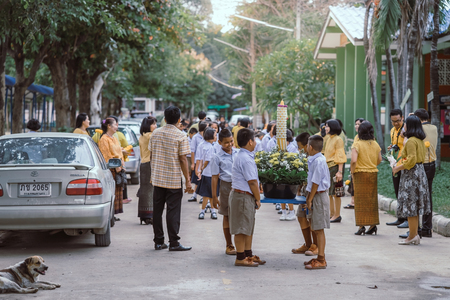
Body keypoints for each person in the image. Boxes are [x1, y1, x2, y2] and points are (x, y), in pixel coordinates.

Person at [149, 106, 192, 251]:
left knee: (157, 210)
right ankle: (174, 242)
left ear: (165, 119)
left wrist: (152, 174)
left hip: (158, 178)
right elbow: (183, 159)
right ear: (179, 120)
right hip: (173, 179)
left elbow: (152, 155)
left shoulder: (155, 133)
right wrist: (187, 180)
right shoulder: (181, 135)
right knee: (173, 211)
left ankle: (158, 241)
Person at [229, 128, 265, 267]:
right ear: (250, 141)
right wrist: (258, 198)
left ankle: (248, 254)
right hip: (242, 196)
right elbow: (252, 182)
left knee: (247, 227)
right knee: (241, 228)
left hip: (244, 196)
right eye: (254, 139)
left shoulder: (244, 155)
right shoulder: (245, 158)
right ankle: (240, 257)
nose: (255, 142)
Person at [393, 115, 431, 245]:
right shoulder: (419, 140)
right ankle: (414, 235)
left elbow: (410, 161)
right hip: (419, 172)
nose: (404, 126)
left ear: (409, 126)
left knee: (410, 207)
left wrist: (397, 168)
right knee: (413, 207)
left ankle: (412, 236)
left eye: (405, 124)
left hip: (411, 175)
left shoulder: (410, 141)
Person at [398, 109, 437, 238]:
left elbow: (410, 158)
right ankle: (424, 229)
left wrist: (397, 168)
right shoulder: (432, 130)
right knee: (423, 199)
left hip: (415, 169)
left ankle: (413, 232)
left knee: (412, 201)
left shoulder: (413, 138)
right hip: (428, 166)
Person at [302, 135, 330, 270]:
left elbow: (315, 182)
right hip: (314, 195)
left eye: (307, 145)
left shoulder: (319, 161)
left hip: (318, 196)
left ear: (310, 147)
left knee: (319, 229)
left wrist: (309, 199)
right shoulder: (314, 159)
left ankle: (321, 259)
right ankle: (319, 256)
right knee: (315, 227)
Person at [350, 121, 382, 236]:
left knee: (360, 201)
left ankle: (361, 226)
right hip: (372, 173)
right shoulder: (375, 144)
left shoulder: (357, 144)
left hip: (360, 173)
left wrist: (352, 171)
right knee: (371, 201)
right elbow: (379, 159)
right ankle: (373, 225)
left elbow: (354, 160)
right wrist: (371, 165)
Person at [211, 129, 238, 255]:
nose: (230, 144)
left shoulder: (238, 153)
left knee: (239, 215)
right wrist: (214, 196)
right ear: (219, 142)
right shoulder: (217, 157)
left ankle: (241, 244)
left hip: (239, 186)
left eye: (231, 141)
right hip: (226, 187)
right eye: (226, 142)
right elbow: (215, 177)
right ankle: (229, 244)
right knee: (227, 215)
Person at [292, 132, 318, 256]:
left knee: (312, 219)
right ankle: (307, 244)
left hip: (311, 193)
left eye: (300, 146)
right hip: (304, 192)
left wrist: (310, 198)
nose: (299, 149)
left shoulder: (315, 159)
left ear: (308, 145)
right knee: (301, 216)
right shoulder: (303, 157)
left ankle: (315, 246)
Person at [98, 117, 125, 220]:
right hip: (111, 170)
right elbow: (106, 156)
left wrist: (122, 165)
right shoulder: (104, 139)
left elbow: (119, 153)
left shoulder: (114, 138)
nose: (116, 126)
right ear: (109, 126)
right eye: (115, 124)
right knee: (111, 192)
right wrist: (116, 166)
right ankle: (109, 215)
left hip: (118, 168)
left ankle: (112, 214)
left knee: (116, 192)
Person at [386, 109, 407, 228]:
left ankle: (406, 218)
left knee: (404, 192)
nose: (396, 124)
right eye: (393, 121)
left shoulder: (407, 130)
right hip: (395, 165)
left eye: (398, 121)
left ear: (402, 118)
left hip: (403, 164)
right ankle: (400, 217)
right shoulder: (392, 131)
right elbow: (396, 145)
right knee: (398, 191)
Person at [323, 119, 347, 223]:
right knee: (330, 192)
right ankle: (332, 214)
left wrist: (340, 171)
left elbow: (340, 155)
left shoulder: (338, 139)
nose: (325, 128)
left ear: (333, 127)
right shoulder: (329, 138)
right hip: (328, 167)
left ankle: (337, 215)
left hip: (335, 167)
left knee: (336, 193)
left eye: (327, 126)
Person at [137, 116, 157, 225]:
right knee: (150, 190)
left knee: (144, 190)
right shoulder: (151, 136)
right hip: (150, 163)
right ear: (147, 125)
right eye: (153, 124)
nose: (156, 126)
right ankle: (149, 215)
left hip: (143, 163)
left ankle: (144, 214)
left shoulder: (142, 136)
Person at [196, 128, 218, 220]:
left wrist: (199, 170)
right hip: (210, 174)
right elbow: (207, 160)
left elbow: (200, 159)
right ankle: (209, 211)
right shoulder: (210, 147)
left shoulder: (203, 145)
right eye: (215, 135)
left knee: (207, 194)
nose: (216, 137)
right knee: (210, 194)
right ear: (210, 136)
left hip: (206, 173)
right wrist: (201, 168)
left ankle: (207, 211)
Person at [344, 118, 365, 209]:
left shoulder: (365, 138)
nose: (356, 126)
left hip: (361, 165)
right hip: (355, 165)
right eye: (355, 124)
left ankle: (357, 202)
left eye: (359, 124)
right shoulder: (356, 137)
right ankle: (353, 202)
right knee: (353, 184)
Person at [187, 121, 208, 202]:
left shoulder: (207, 137)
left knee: (203, 179)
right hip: (198, 162)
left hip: (205, 162)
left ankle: (200, 196)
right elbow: (193, 151)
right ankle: (195, 195)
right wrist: (193, 164)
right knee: (198, 180)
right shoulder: (196, 137)